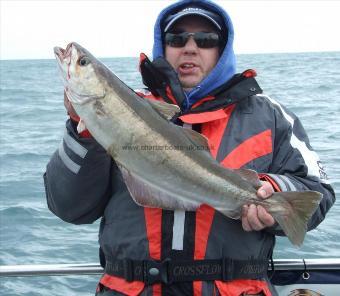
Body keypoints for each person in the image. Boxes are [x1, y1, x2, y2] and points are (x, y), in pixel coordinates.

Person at [44, 0, 335, 295]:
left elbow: (318, 193)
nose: (190, 48)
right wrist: (84, 133)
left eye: (206, 40)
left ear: (222, 50)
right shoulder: (121, 109)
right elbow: (68, 207)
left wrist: (273, 193)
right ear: (163, 46)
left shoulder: (270, 116)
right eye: (177, 38)